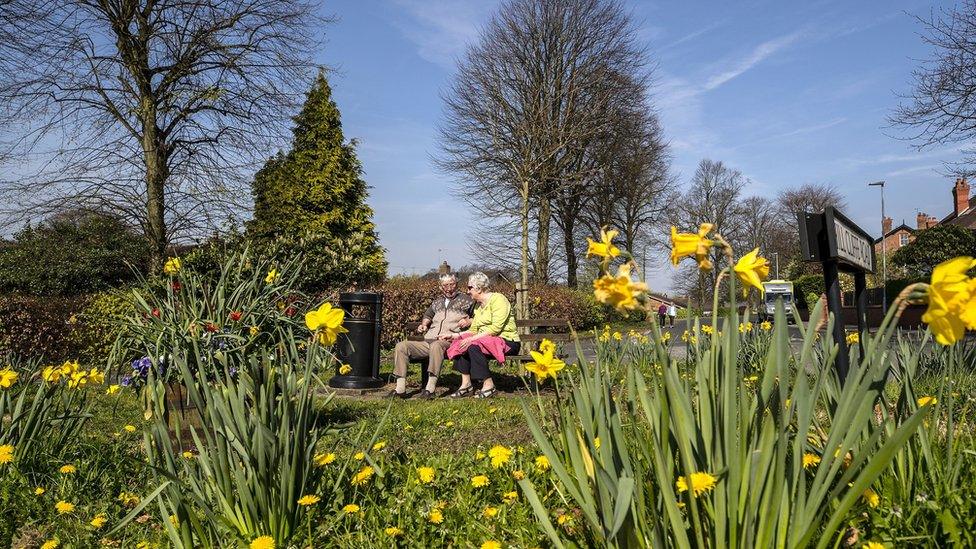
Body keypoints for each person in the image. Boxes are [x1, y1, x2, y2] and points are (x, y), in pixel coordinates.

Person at [390, 273, 474, 399]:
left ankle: (430, 388)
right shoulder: (437, 302)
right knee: (401, 346)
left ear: (456, 284)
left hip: (449, 340)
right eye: (445, 285)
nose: (449, 288)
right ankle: (400, 389)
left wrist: (469, 321)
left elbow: (479, 317)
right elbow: (428, 315)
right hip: (428, 339)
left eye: (452, 284)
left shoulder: (467, 300)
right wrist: (424, 324)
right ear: (441, 287)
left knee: (436, 346)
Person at [441, 272, 520, 399]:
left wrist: (471, 339)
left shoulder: (498, 299)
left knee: (472, 345)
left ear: (479, 288)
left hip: (507, 341)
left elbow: (496, 328)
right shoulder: (478, 307)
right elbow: (473, 330)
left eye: (469, 287)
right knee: (461, 343)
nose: (467, 291)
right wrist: (454, 336)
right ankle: (466, 385)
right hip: (485, 340)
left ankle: (489, 385)